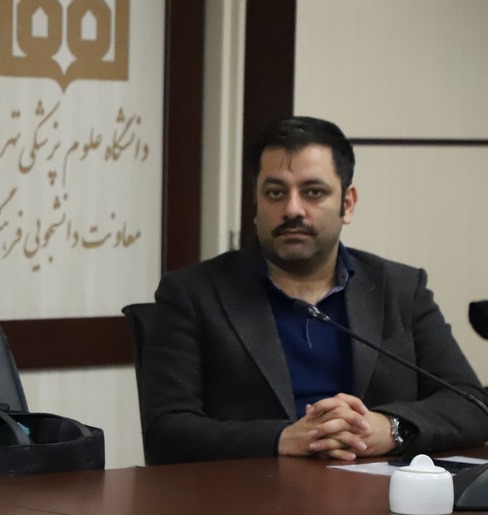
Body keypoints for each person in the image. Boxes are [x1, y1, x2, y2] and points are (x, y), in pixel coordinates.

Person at [142, 116, 488, 465]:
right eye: (275, 193)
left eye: (313, 192)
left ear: (347, 204)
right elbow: (166, 431)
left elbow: (472, 404)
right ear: (256, 203)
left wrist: (390, 428)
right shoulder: (192, 294)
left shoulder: (400, 288)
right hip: (251, 491)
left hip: (379, 490)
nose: (292, 209)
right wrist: (282, 438)